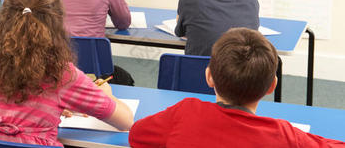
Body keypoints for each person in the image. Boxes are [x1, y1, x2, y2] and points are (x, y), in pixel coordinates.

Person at [0, 0, 133, 146]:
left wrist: (51, 105)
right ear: (57, 20)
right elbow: (127, 121)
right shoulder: (62, 75)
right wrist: (106, 94)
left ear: (5, 17)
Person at [128, 28, 345, 147]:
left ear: (209, 77)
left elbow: (136, 135)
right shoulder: (284, 135)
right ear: (272, 86)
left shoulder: (185, 113)